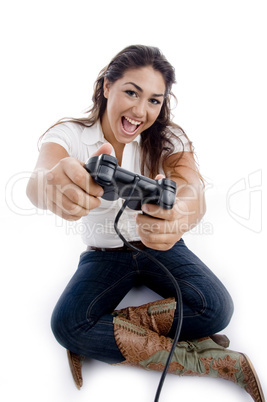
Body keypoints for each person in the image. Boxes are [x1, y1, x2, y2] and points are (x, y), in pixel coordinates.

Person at [26, 45, 264, 401]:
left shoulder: (167, 138)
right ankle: (214, 362)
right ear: (107, 86)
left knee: (217, 308)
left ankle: (101, 335)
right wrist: (51, 189)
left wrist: (180, 214)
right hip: (104, 255)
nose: (140, 111)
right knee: (66, 326)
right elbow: (40, 177)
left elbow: (192, 187)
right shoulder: (70, 134)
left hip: (160, 246)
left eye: (154, 100)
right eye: (131, 92)